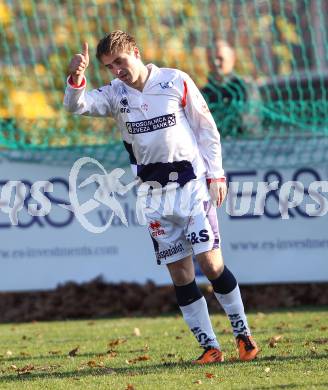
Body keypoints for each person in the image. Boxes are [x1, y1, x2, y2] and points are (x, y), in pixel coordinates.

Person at [64, 30, 259, 364]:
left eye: (120, 62)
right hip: (153, 196)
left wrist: (217, 173)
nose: (117, 71)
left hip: (191, 186)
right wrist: (76, 78)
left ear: (136, 53)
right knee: (180, 274)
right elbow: (76, 106)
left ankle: (243, 335)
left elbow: (206, 129)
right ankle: (210, 346)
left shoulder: (174, 81)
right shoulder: (114, 94)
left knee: (211, 264)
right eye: (110, 67)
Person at [202, 39, 255, 136]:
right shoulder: (204, 93)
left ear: (232, 58)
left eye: (220, 58)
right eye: (210, 58)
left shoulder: (244, 88)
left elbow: (248, 121)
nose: (215, 63)